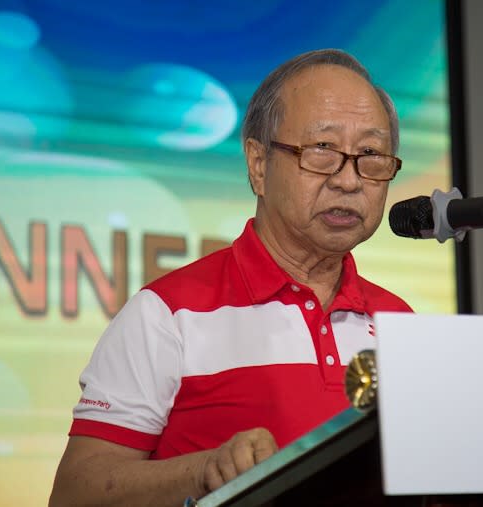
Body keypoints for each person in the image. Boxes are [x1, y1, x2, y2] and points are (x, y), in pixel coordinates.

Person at [49, 48, 412, 506]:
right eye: (322, 150)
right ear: (258, 164)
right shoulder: (168, 314)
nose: (348, 179)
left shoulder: (402, 321)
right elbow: (74, 496)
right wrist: (204, 472)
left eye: (371, 154)